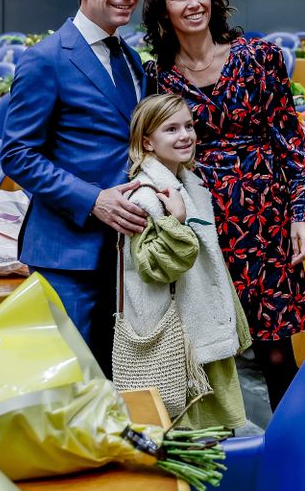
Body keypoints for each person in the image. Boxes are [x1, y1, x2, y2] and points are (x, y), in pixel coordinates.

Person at [141, 0, 305, 411]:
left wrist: (300, 214)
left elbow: (291, 144)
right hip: (201, 218)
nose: (193, 3)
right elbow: (152, 147)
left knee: (276, 349)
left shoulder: (260, 57)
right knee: (206, 346)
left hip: (266, 216)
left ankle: (291, 454)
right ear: (162, 9)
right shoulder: (157, 75)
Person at [1, 0, 147, 376]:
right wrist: (94, 199)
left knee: (111, 384)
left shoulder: (130, 58)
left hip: (123, 253)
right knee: (67, 386)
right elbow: (18, 154)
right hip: (68, 252)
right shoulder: (45, 59)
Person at [121, 93, 251, 430]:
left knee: (212, 436)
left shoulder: (188, 184)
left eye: (189, 126)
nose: (185, 136)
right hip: (180, 344)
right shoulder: (146, 195)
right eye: (171, 129)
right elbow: (152, 267)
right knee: (183, 435)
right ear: (146, 141)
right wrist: (174, 223)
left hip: (201, 331)